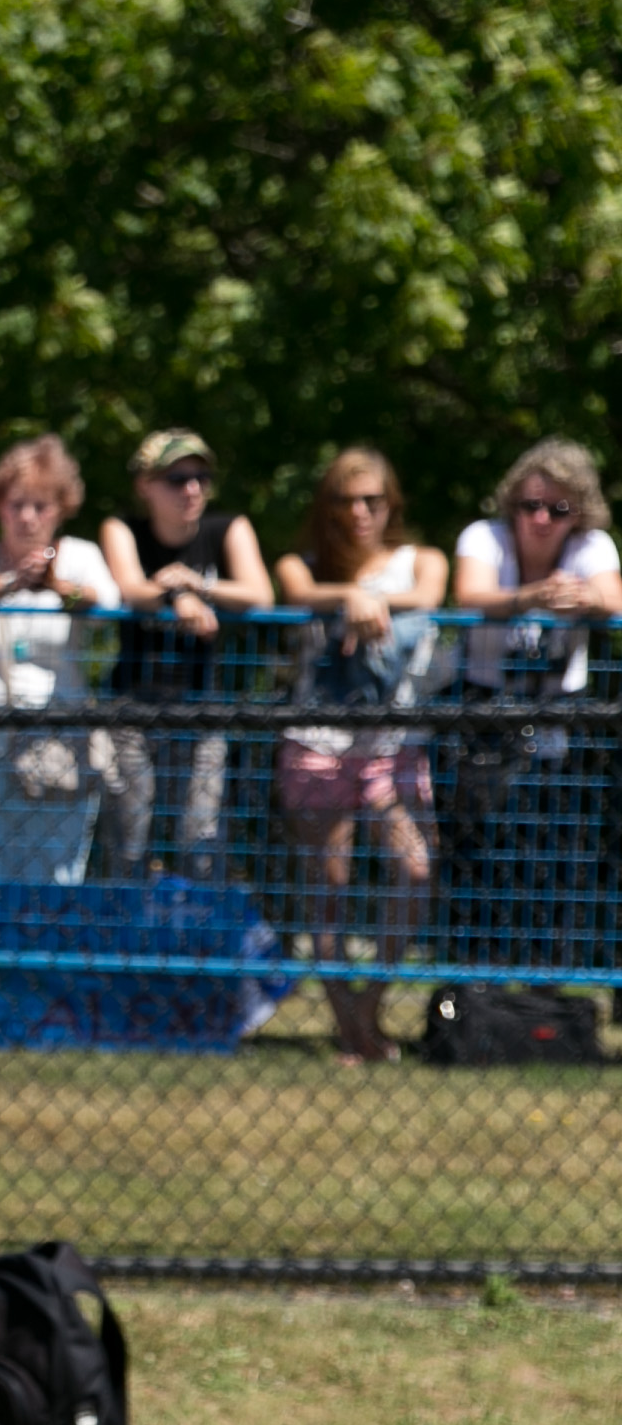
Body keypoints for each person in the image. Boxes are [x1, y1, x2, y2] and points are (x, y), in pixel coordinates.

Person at [272, 449, 445, 1061]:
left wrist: (366, 601)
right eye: (347, 500)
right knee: (329, 886)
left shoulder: (421, 559)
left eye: (372, 499)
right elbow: (298, 591)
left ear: (390, 503)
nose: (360, 512)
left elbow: (428, 594)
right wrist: (350, 594)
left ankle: (369, 1006)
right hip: (318, 743)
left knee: (415, 868)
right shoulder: (303, 565)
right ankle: (350, 1027)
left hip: (392, 749)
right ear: (329, 507)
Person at [441, 439, 622, 975]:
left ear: (580, 512)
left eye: (558, 509)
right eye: (530, 506)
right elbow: (468, 596)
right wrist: (533, 596)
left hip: (559, 714)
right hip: (482, 710)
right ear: (512, 504)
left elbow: (614, 598)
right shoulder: (484, 537)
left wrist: (587, 600)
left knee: (555, 848)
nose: (542, 518)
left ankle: (545, 982)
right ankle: (477, 976)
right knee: (478, 847)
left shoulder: (593, 547)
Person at [0, 435, 121, 887]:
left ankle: (45, 956)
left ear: (61, 508)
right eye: (16, 504)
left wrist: (59, 587)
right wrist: (9, 583)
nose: (27, 517)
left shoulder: (81, 556)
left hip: (58, 736)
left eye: (40, 506)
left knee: (56, 865)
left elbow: (108, 606)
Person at [98, 430, 273, 881]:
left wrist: (200, 585)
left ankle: (193, 945)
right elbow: (133, 588)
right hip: (133, 709)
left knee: (201, 842)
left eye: (201, 477)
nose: (192, 489)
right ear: (145, 485)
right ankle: (128, 944)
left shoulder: (226, 527)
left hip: (201, 711)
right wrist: (175, 597)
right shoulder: (123, 528)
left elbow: (260, 595)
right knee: (129, 843)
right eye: (176, 478)